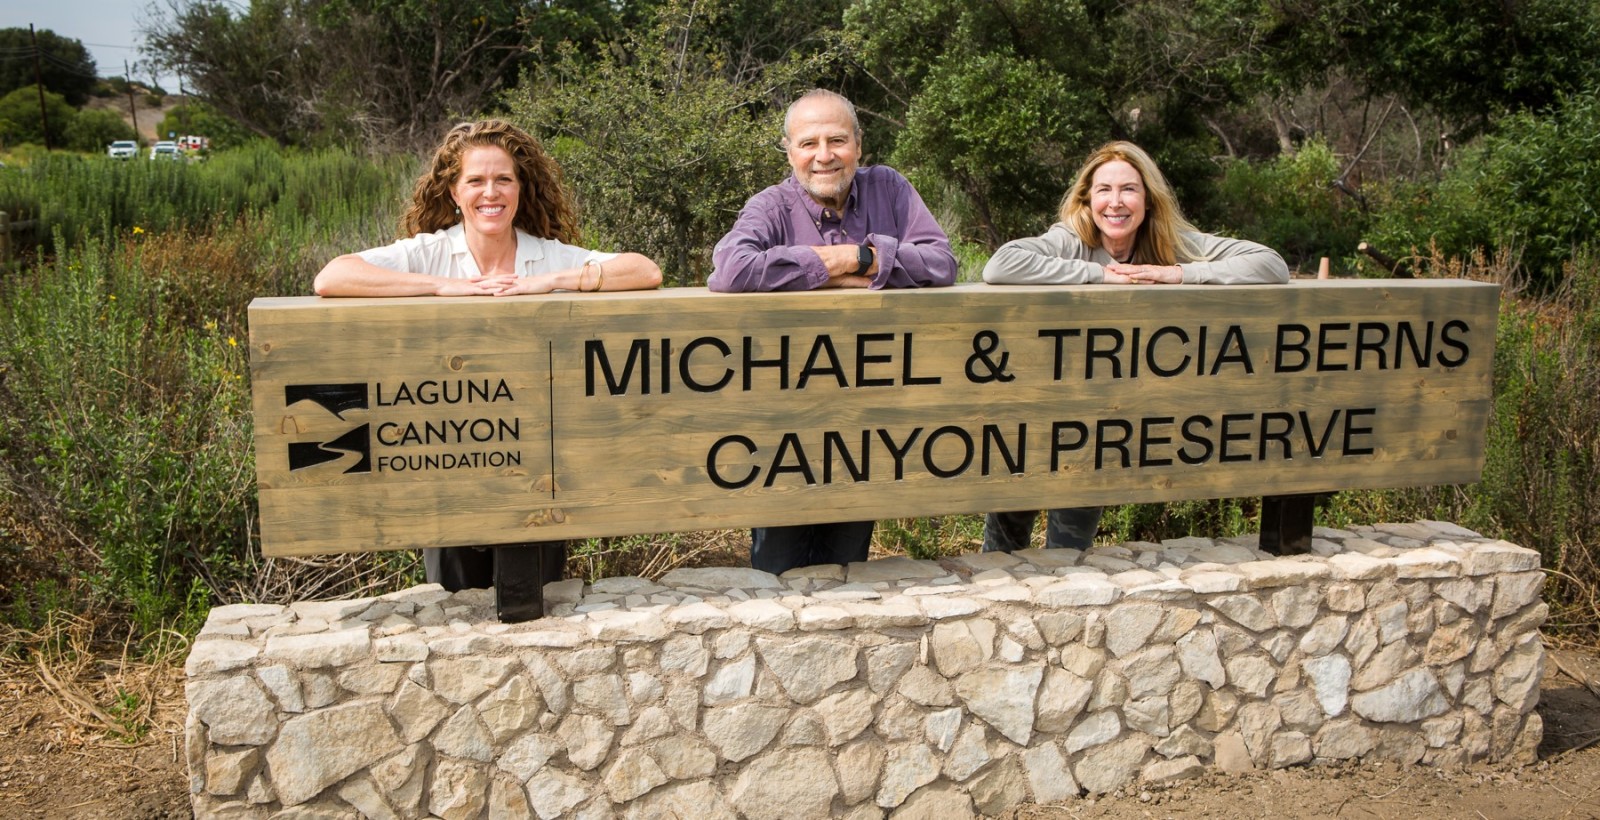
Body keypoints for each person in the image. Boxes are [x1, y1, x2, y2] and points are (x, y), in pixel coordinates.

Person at [315, 119, 663, 590]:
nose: (490, 192)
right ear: (454, 192)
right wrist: (443, 287)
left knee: (536, 607)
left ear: (521, 189)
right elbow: (333, 277)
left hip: (537, 471)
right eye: (475, 181)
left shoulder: (548, 256)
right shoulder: (430, 253)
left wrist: (553, 280)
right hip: (450, 461)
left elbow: (644, 270)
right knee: (454, 611)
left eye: (503, 179)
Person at [981, 140, 1289, 553]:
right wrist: (1098, 275)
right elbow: (1001, 264)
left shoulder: (1171, 241)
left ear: (1148, 198)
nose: (1115, 202)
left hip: (1096, 431)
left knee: (1069, 555)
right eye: (1104, 189)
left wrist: (1181, 274)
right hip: (1031, 419)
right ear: (1087, 199)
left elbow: (1270, 264)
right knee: (1001, 551)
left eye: (1128, 189)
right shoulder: (1070, 237)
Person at [710, 88, 958, 574]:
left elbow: (941, 262)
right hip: (782, 436)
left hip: (862, 431)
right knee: (775, 577)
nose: (824, 156)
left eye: (837, 140)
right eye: (808, 143)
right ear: (788, 151)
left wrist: (863, 257)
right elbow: (728, 270)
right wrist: (832, 265)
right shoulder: (771, 206)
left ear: (859, 145)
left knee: (847, 571)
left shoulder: (890, 188)